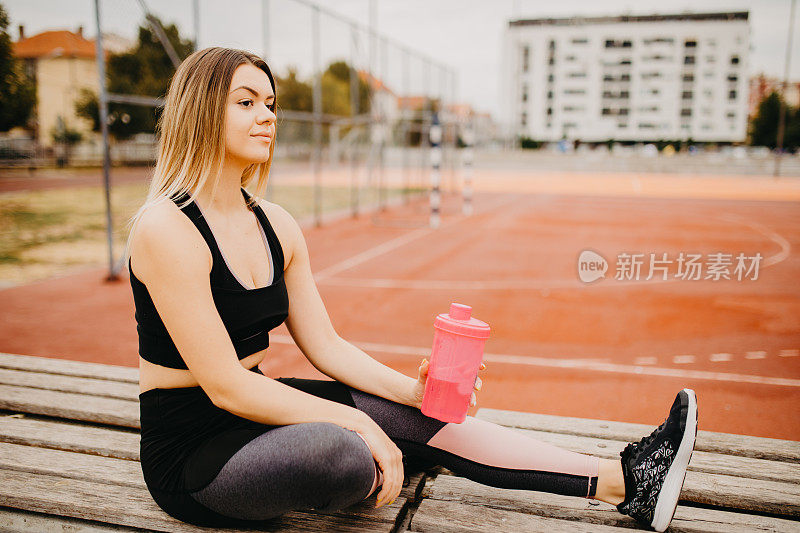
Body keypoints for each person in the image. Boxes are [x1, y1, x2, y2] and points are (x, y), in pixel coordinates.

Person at [125, 47, 698, 532]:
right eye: (245, 102)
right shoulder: (165, 229)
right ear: (201, 113)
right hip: (192, 454)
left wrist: (411, 394)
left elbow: (327, 347)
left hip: (259, 408)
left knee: (429, 421)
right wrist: (361, 424)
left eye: (270, 103)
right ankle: (355, 460)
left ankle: (630, 480)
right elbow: (225, 387)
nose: (267, 116)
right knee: (343, 454)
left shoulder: (275, 223)